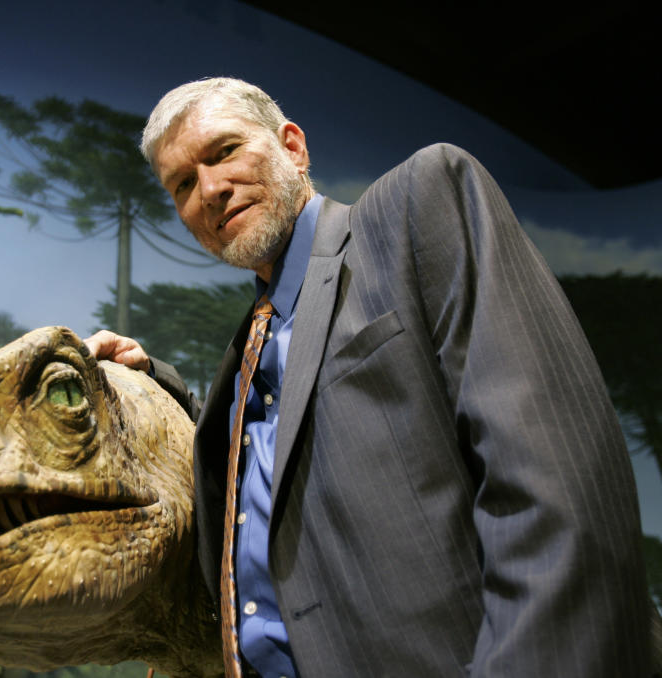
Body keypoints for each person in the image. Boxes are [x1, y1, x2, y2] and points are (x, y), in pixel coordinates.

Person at [85, 78, 653, 677]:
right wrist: (153, 381)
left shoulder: (415, 207)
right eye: (182, 184)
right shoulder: (253, 345)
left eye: (224, 151)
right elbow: (299, 444)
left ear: (293, 148)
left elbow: (557, 473)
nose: (210, 190)